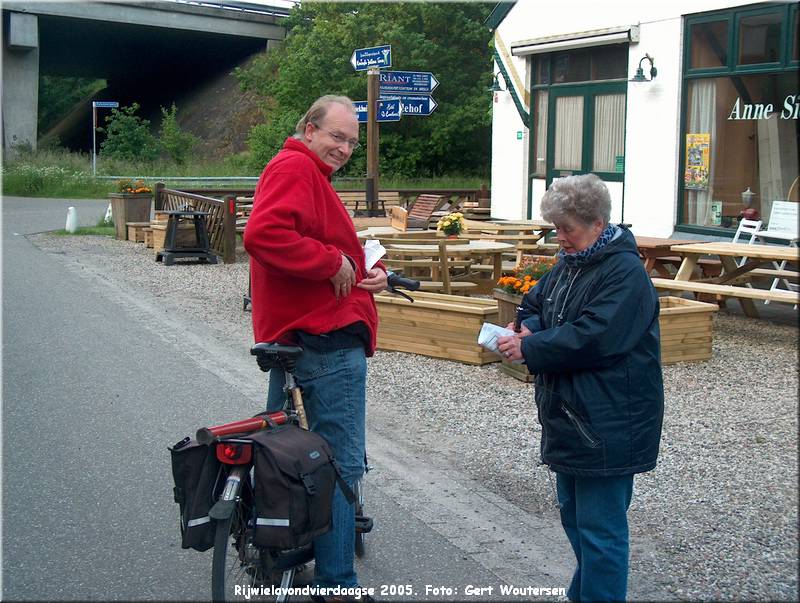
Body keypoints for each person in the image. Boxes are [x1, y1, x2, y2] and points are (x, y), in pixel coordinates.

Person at [243, 95, 386, 602]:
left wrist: (360, 268)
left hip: (301, 328)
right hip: (322, 334)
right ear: (309, 128)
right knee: (341, 462)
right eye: (336, 136)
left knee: (295, 451)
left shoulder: (307, 172)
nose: (344, 148)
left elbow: (310, 239)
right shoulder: (296, 167)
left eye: (351, 141)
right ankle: (337, 583)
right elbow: (264, 233)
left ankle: (282, 550)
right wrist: (330, 263)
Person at [497, 174, 664, 602]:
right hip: (573, 416)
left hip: (609, 420)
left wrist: (530, 347)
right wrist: (526, 325)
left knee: (601, 529)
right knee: (575, 518)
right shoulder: (570, 264)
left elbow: (595, 335)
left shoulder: (624, 272)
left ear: (597, 222)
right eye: (557, 228)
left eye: (567, 228)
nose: (561, 238)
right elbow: (535, 302)